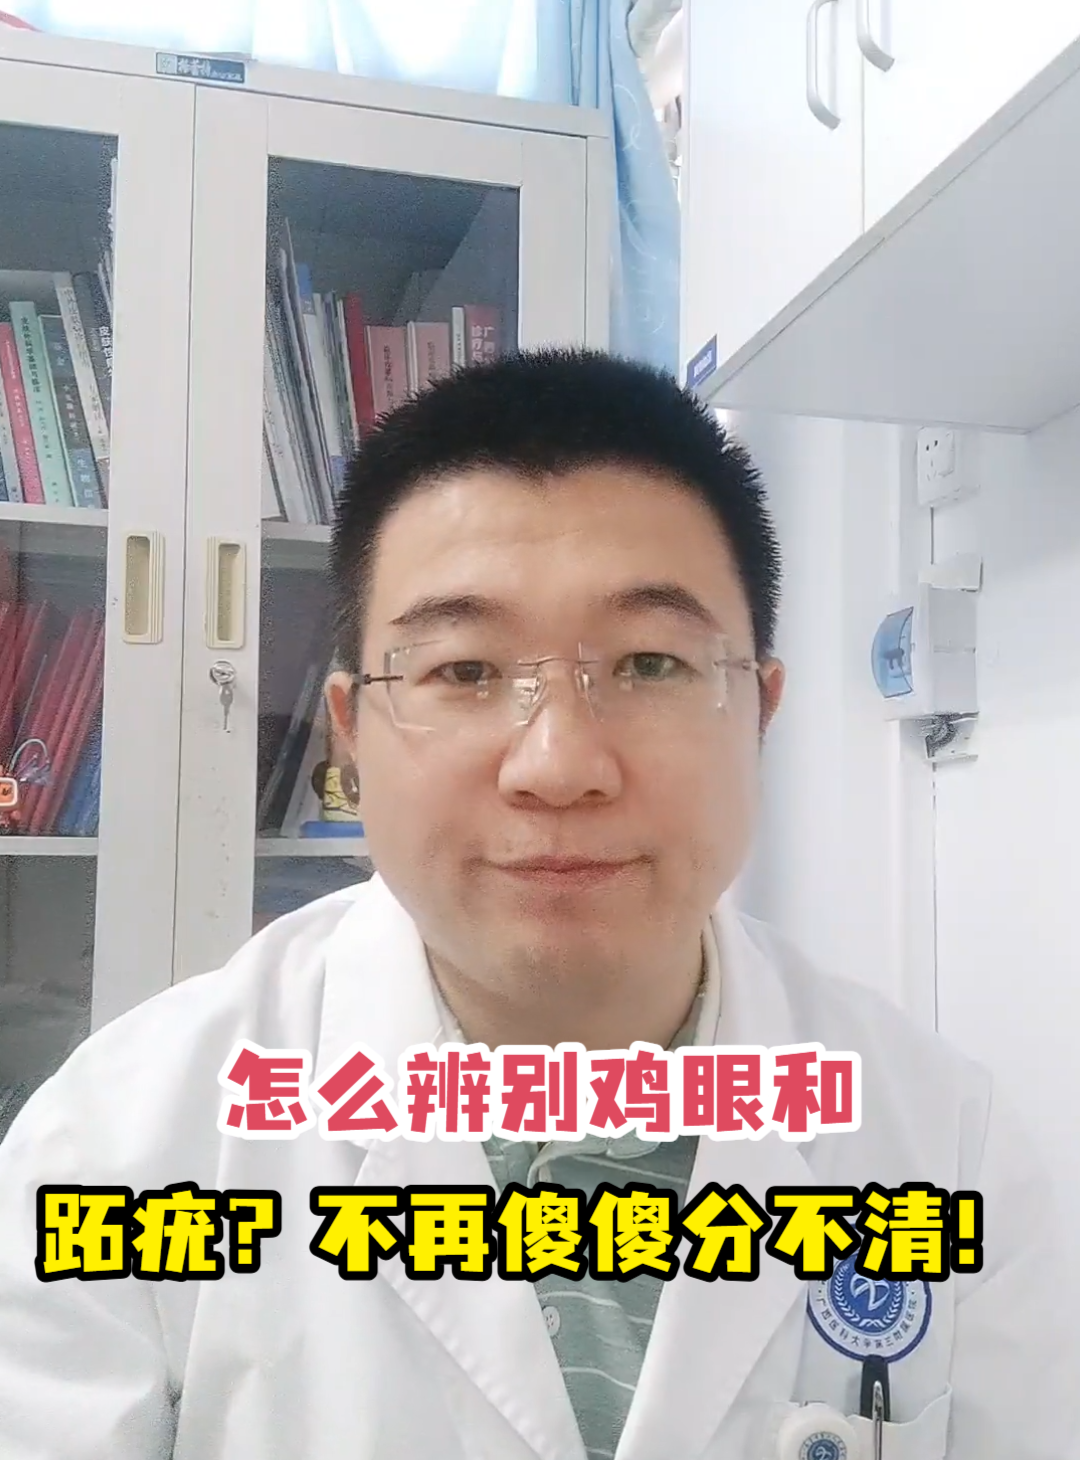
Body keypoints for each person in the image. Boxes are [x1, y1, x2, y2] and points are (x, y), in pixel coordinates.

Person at [0, 349, 1072, 1460]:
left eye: (651, 663)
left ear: (759, 711)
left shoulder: (945, 1145)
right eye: (465, 670)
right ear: (352, 736)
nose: (558, 764)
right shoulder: (124, 1148)